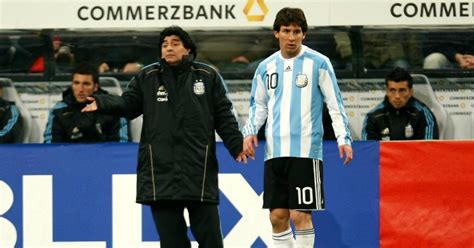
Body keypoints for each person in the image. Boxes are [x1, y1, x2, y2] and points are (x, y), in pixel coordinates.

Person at [81, 26, 248, 248]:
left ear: (187, 49)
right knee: (172, 244)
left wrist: (237, 145)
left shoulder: (208, 77)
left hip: (198, 171)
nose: (169, 47)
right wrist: (103, 102)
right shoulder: (147, 77)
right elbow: (128, 105)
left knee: (212, 242)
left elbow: (224, 117)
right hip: (160, 174)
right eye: (165, 44)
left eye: (175, 43)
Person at [241, 8, 353, 248]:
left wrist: (344, 138)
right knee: (277, 217)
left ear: (304, 35)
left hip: (305, 151)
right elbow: (258, 106)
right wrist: (249, 132)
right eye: (286, 31)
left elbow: (335, 104)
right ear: (276, 33)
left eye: (296, 32)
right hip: (275, 152)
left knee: (300, 215)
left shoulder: (319, 63)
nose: (291, 37)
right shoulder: (265, 67)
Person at [43, 63, 129, 143]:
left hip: (103, 157)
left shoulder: (114, 109)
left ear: (95, 87)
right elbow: (51, 146)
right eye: (76, 83)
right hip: (69, 157)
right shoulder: (59, 110)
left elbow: (121, 147)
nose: (80, 89)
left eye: (86, 84)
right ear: (72, 85)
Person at [361, 67, 439, 140]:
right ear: (387, 92)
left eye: (402, 90)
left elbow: (429, 150)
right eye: (392, 90)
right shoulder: (373, 117)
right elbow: (368, 151)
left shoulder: (423, 115)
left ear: (410, 92)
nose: (397, 96)